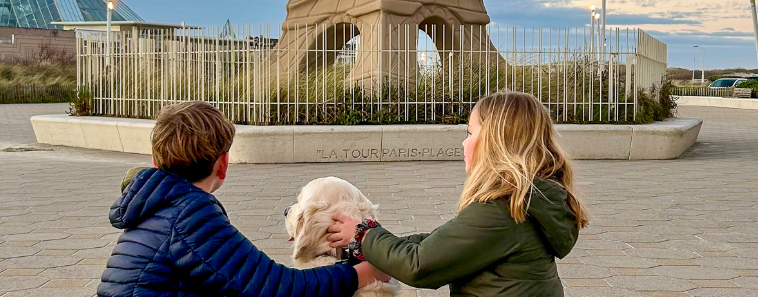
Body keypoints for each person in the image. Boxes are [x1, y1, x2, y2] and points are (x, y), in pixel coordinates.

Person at [97, 101, 387, 297]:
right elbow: (279, 288)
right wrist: (363, 272)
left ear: (155, 161)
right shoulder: (189, 216)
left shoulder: (156, 206)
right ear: (222, 164)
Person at [328, 92, 589, 296]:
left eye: (470, 132)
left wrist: (363, 234)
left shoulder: (502, 211)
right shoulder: (527, 201)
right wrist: (366, 243)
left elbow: (419, 266)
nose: (464, 142)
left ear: (494, 143)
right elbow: (440, 242)